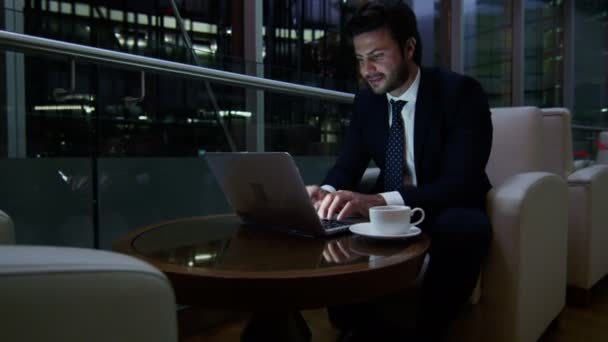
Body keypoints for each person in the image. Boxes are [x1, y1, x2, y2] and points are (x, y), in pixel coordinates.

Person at [306, 1, 493, 341]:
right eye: (361, 59)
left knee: (466, 227)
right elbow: (347, 165)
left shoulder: (460, 93)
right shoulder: (367, 102)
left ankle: (426, 329)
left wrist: (375, 200)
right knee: (334, 218)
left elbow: (460, 183)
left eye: (377, 55)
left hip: (444, 205)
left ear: (409, 48)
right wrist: (327, 193)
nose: (368, 70)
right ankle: (356, 323)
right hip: (386, 209)